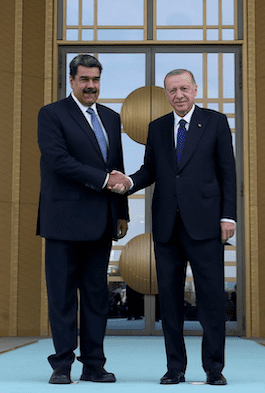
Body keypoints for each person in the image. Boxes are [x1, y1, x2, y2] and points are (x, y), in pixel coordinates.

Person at [119, 69, 237, 386]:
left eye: (184, 88)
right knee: (169, 301)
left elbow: (228, 173)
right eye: (172, 90)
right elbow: (150, 170)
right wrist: (129, 181)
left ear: (195, 89)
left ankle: (214, 368)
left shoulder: (215, 122)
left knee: (211, 299)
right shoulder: (157, 128)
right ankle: (175, 368)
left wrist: (229, 216)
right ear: (166, 94)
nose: (179, 95)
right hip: (167, 227)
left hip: (206, 225)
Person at [37, 54, 131, 384]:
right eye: (85, 80)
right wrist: (104, 180)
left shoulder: (110, 116)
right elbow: (58, 161)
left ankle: (94, 364)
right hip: (62, 221)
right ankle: (62, 364)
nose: (91, 86)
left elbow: (116, 166)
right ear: (72, 81)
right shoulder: (51, 115)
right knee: (62, 298)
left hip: (101, 222)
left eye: (96, 80)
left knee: (95, 298)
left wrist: (122, 212)